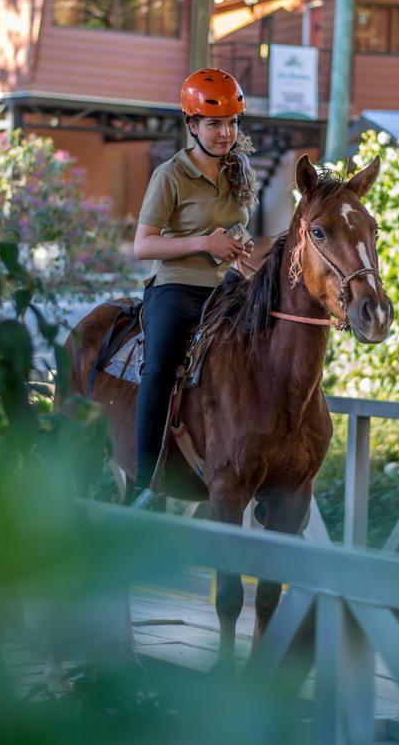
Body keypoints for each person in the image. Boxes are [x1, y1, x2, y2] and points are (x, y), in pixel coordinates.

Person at [130, 69, 259, 509]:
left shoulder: (240, 172)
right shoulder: (171, 174)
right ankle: (148, 477)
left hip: (228, 291)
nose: (226, 134)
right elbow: (142, 245)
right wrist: (205, 242)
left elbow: (236, 236)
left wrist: (241, 249)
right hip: (177, 289)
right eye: (214, 124)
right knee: (160, 366)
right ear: (191, 125)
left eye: (233, 123)